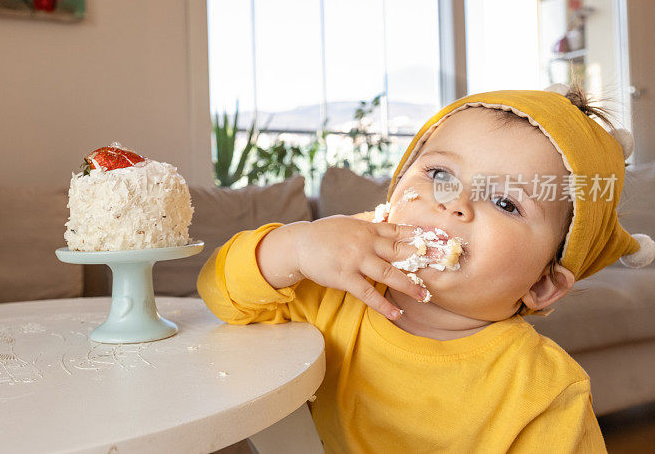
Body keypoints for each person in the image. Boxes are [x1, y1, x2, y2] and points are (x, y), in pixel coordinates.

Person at [197, 87, 655, 453]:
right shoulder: (335, 292)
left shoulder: (543, 393)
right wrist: (294, 246)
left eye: (504, 202)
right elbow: (219, 291)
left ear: (542, 283)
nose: (455, 202)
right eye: (440, 175)